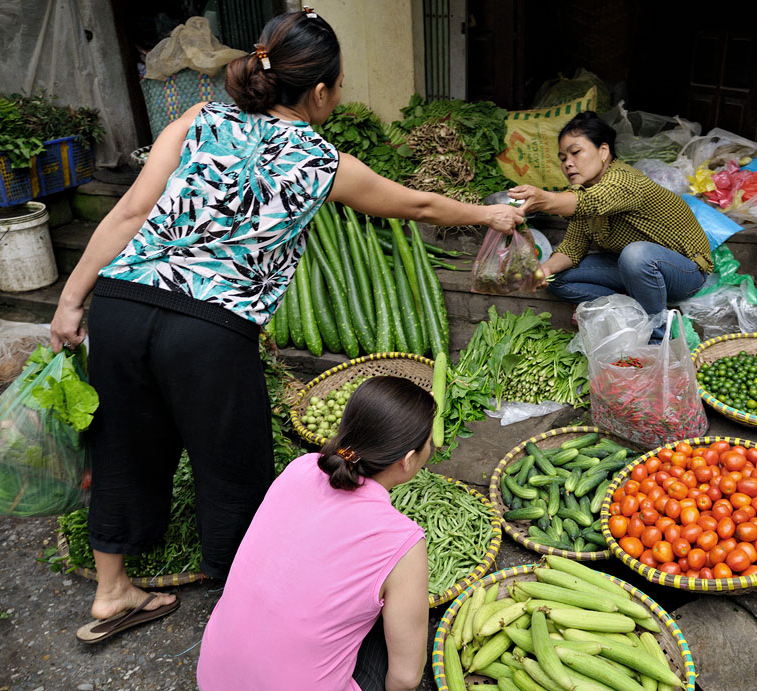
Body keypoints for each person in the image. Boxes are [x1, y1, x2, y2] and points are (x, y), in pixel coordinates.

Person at [56, 9, 522, 644]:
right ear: (323, 90)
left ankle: (112, 591)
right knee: (231, 465)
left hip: (122, 303)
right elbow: (417, 203)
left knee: (122, 445)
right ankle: (242, 609)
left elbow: (132, 209)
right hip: (209, 330)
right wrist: (488, 216)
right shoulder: (322, 161)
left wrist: (71, 300)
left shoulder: (197, 120)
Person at [196, 375, 434, 690]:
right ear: (406, 461)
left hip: (214, 679)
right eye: (429, 442)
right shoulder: (402, 543)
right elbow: (404, 679)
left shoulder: (302, 467)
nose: (434, 446)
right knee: (410, 629)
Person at [508, 111, 712, 341]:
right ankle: (631, 308)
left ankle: (657, 339)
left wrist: (545, 199)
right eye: (563, 158)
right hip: (634, 270)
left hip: (685, 271)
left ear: (603, 151)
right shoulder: (582, 191)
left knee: (636, 254)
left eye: (575, 152)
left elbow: (591, 203)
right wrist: (543, 271)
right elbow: (572, 247)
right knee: (558, 279)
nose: (568, 163)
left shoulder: (625, 180)